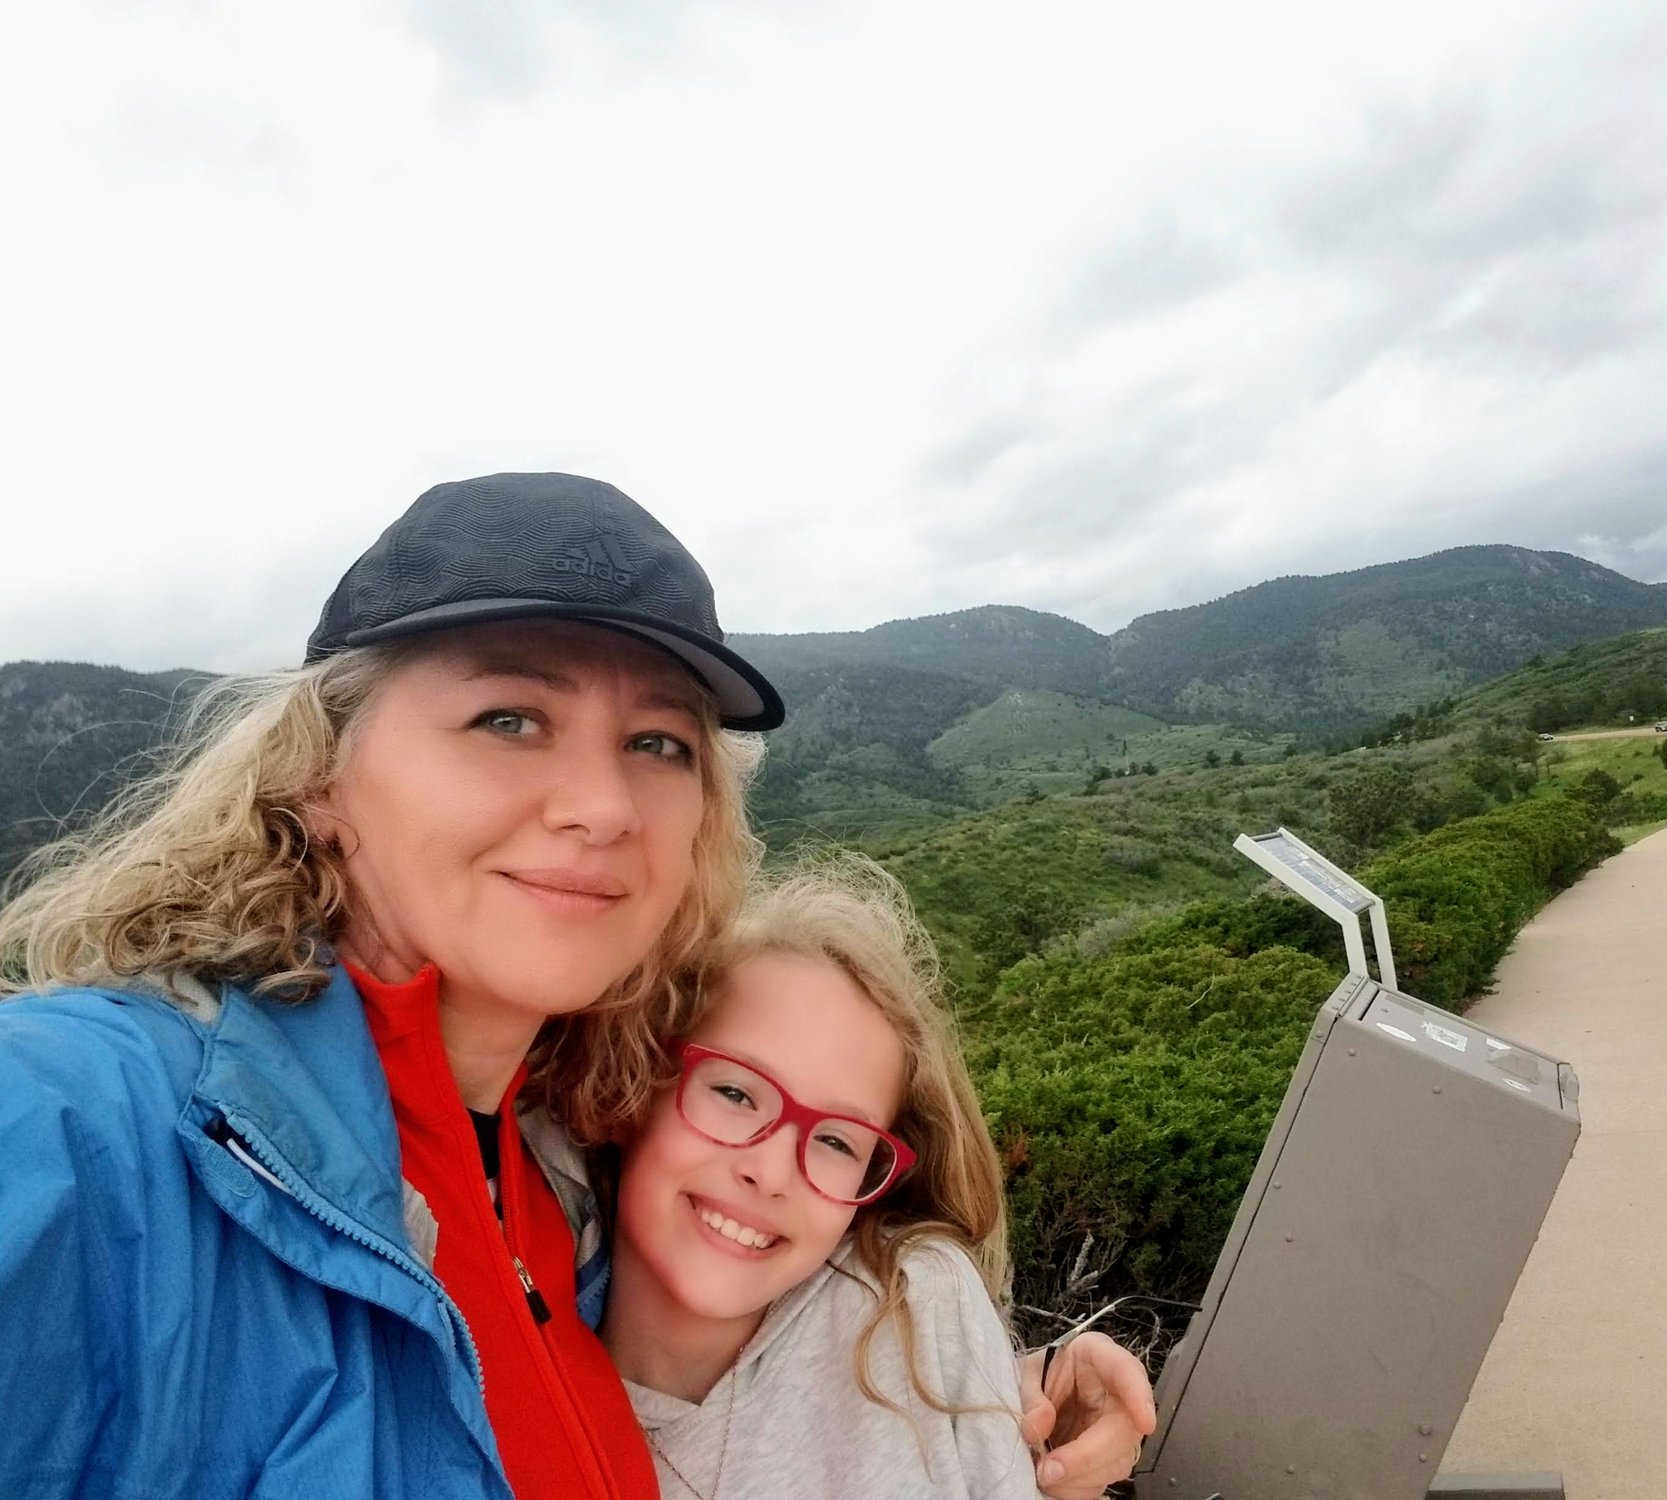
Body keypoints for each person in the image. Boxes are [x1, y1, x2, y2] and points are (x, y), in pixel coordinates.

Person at [0, 473, 1151, 1500]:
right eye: (509, 718)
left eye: (658, 744)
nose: (600, 806)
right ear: (318, 781)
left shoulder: (569, 1176)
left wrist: (1000, 1403)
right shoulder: (90, 1124)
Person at [600, 855, 1063, 1498]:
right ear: (635, 1081)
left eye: (837, 1141)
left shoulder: (909, 1310)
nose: (770, 1172)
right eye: (735, 1093)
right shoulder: (480, 1376)